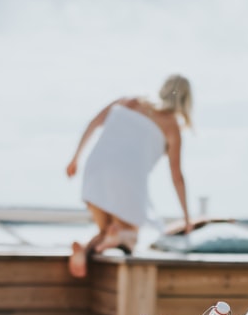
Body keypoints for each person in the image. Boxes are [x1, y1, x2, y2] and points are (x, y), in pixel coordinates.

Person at [65, 74, 194, 278]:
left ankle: (84, 246)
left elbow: (94, 122)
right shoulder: (171, 125)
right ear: (186, 100)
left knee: (104, 230)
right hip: (128, 180)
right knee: (131, 236)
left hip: (95, 170)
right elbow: (177, 176)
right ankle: (118, 239)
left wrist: (75, 158)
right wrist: (187, 218)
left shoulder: (130, 101)